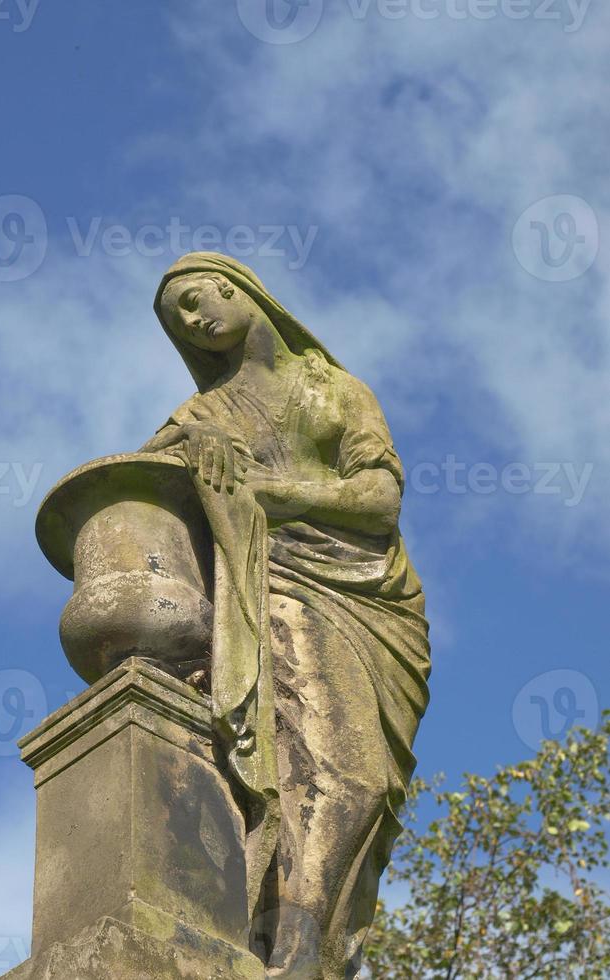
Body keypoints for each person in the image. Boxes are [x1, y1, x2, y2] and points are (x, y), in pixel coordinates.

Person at [140, 252, 431, 979]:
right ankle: (290, 948)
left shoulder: (334, 391)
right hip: (272, 586)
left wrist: (275, 491)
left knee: (363, 783)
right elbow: (144, 493)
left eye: (197, 300)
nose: (193, 322)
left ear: (237, 289)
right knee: (311, 773)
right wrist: (187, 450)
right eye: (178, 319)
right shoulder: (201, 417)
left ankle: (314, 948)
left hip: (373, 601)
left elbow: (379, 501)